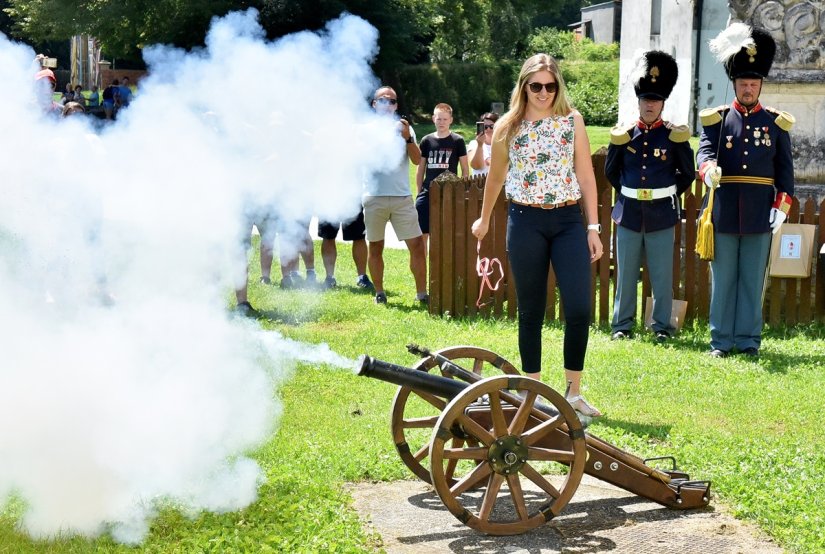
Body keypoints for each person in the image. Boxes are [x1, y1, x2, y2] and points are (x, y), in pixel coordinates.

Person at [471, 53, 603, 418]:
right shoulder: (507, 127)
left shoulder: (572, 121)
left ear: (558, 85)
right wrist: (483, 220)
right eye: (536, 86)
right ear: (524, 86)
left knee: (578, 307)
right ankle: (533, 394)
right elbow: (495, 178)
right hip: (525, 221)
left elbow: (586, 176)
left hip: (568, 222)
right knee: (530, 311)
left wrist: (593, 227)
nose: (544, 92)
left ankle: (573, 394)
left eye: (550, 85)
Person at [697, 24, 794, 358]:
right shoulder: (717, 120)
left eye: (753, 84)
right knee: (723, 281)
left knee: (753, 280)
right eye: (743, 83)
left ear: (761, 85)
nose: (748, 89)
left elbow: (785, 172)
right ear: (734, 84)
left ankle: (749, 340)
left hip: (759, 212)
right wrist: (709, 170)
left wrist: (781, 206)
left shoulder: (775, 123)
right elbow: (705, 152)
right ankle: (720, 341)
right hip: (723, 209)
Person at [605, 51, 695, 342]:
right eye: (646, 100)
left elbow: (688, 173)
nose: (650, 105)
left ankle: (662, 327)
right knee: (626, 274)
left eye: (655, 100)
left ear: (663, 104)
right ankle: (622, 325)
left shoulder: (673, 137)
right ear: (639, 102)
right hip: (629, 212)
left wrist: (667, 193)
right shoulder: (625, 135)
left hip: (661, 213)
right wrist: (630, 192)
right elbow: (611, 172)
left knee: (661, 275)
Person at [363, 86, 428, 305]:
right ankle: (379, 293)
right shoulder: (366, 129)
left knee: (417, 245)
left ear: (396, 105)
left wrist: (408, 138)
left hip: (402, 197)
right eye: (382, 100)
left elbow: (417, 160)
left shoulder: (404, 128)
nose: (387, 104)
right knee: (376, 247)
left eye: (392, 101)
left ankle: (422, 294)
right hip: (374, 196)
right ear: (374, 104)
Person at [415, 103, 469, 248]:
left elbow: (464, 168)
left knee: (444, 232)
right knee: (422, 233)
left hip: (449, 191)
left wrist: (462, 189)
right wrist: (419, 191)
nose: (442, 122)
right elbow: (420, 169)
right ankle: (422, 269)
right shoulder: (427, 140)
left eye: (445, 119)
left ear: (451, 120)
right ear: (433, 119)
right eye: (439, 119)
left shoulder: (457, 141)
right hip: (428, 191)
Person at [317, 212, 372, 290]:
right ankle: (329, 278)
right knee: (328, 236)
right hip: (328, 201)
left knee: (359, 237)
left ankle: (362, 277)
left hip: (353, 200)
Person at [467, 112, 499, 176]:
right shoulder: (474, 144)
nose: (489, 129)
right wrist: (480, 145)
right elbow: (476, 166)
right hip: (479, 184)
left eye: (492, 126)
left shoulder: (502, 144)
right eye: (485, 127)